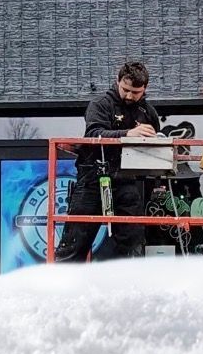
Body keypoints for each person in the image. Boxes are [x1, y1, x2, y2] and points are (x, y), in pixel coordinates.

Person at [55, 62, 160, 262]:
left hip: (127, 179)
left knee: (132, 239)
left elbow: (155, 143)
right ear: (117, 81)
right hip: (93, 177)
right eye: (125, 89)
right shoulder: (100, 104)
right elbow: (93, 134)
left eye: (135, 92)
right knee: (75, 241)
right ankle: (63, 280)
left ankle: (117, 276)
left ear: (145, 89)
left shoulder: (148, 112)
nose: (129, 96)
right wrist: (128, 134)